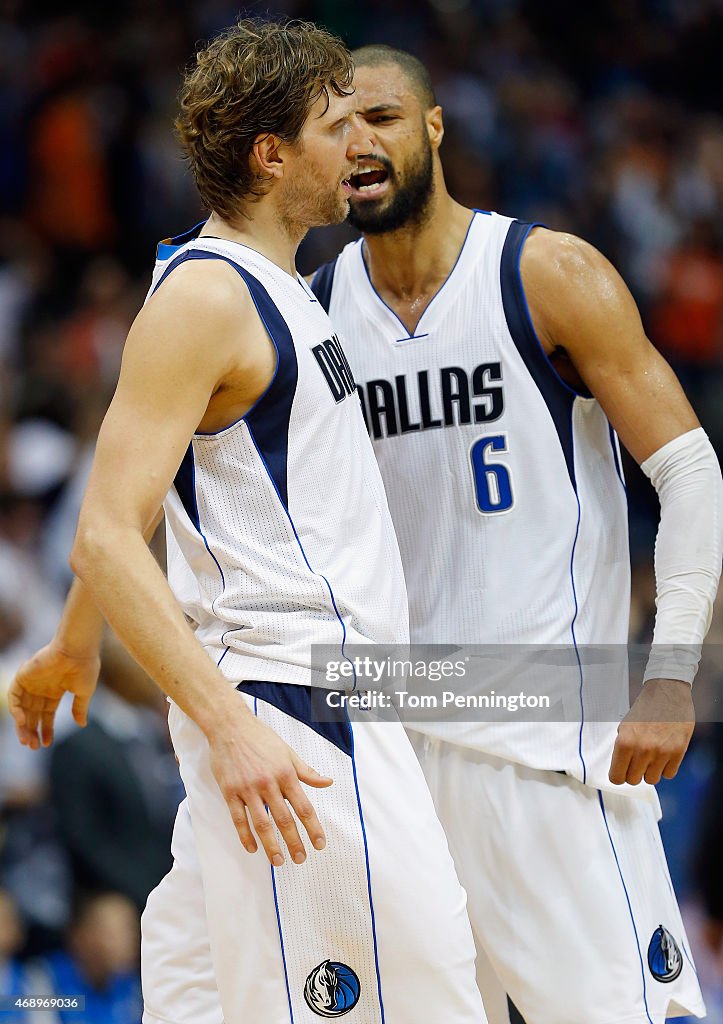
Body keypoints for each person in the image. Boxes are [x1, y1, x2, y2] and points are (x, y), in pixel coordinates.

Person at [8, 23, 487, 1024]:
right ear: (272, 155)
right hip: (292, 718)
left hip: (315, 705)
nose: (360, 144)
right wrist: (232, 727)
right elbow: (104, 528)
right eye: (333, 123)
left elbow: (137, 502)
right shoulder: (208, 297)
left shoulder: (283, 295)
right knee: (429, 994)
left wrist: (76, 642)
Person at [308, 45, 723, 1024]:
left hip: (552, 748)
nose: (359, 142)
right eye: (337, 128)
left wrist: (669, 667)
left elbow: (692, 469)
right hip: (394, 758)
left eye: (382, 117)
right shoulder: (313, 315)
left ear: (437, 127)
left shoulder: (545, 272)